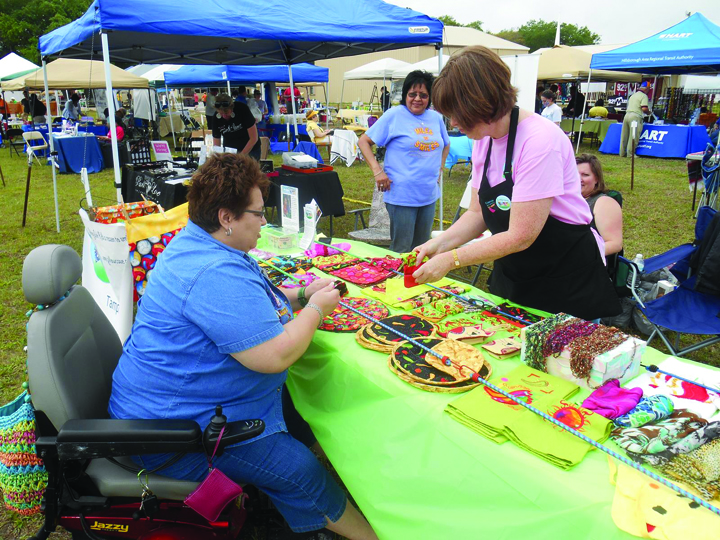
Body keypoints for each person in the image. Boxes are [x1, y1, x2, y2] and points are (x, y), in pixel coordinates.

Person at [108, 153, 378, 540]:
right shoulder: (211, 271)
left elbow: (248, 304)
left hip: (174, 411)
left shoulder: (200, 245)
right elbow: (275, 355)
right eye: (257, 213)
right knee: (300, 471)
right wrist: (317, 308)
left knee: (303, 412)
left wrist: (300, 294)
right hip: (175, 436)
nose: (264, 221)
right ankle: (368, 534)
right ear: (226, 218)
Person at [412, 46, 620, 321]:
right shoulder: (483, 139)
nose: (454, 123)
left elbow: (522, 234)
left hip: (565, 277)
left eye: (458, 113)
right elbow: (477, 214)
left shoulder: (539, 141)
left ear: (482, 103)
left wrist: (453, 260)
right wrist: (438, 245)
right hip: (517, 272)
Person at [358, 70, 450, 253]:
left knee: (422, 248)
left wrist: (439, 168)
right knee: (402, 248)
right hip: (402, 195)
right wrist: (378, 172)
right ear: (405, 95)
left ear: (430, 98)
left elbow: (446, 144)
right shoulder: (395, 115)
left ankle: (415, 280)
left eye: (423, 95)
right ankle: (395, 280)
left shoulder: (436, 118)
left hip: (428, 194)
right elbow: (363, 141)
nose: (417, 99)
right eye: (412, 94)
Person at [576, 154, 623, 260]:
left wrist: (577, 255)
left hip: (588, 264)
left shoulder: (603, 203)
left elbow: (615, 244)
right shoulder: (567, 200)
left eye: (585, 175)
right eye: (574, 173)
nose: (578, 179)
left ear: (596, 179)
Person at [212, 93, 261, 160]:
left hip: (250, 149)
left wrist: (240, 156)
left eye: (226, 113)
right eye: (221, 114)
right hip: (230, 151)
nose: (224, 116)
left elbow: (254, 138)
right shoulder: (216, 118)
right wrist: (217, 159)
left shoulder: (242, 109)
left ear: (232, 108)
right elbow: (216, 143)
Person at [619, 82, 651, 158]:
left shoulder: (633, 95)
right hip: (635, 116)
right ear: (647, 88)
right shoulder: (644, 96)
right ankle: (630, 154)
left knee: (624, 135)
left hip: (627, 115)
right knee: (633, 135)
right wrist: (649, 112)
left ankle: (622, 153)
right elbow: (644, 108)